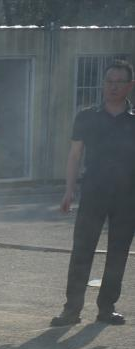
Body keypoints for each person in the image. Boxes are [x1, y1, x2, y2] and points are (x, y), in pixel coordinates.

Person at [50, 59, 135, 327]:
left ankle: (107, 308)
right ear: (103, 84)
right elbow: (75, 155)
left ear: (130, 86)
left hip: (127, 197)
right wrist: (69, 190)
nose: (113, 87)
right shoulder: (87, 116)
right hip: (94, 192)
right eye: (109, 81)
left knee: (118, 254)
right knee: (82, 251)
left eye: (119, 82)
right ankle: (71, 310)